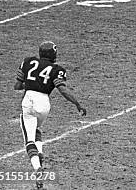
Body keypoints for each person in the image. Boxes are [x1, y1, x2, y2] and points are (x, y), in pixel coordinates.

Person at [14, 42, 86, 189]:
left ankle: (37, 168)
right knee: (36, 130)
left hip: (29, 99)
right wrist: (77, 103)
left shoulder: (28, 61)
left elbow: (17, 86)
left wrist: (29, 85)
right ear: (53, 55)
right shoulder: (57, 69)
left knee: (29, 138)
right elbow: (63, 90)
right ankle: (39, 154)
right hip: (44, 104)